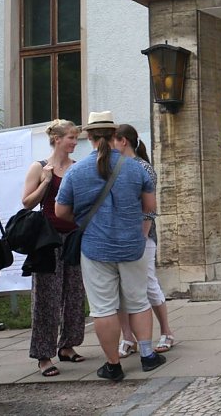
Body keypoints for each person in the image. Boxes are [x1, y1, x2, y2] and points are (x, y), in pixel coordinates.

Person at [55, 111, 165, 381]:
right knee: (138, 300)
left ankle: (113, 364)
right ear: (115, 136)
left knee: (103, 307)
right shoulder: (136, 168)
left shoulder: (76, 171)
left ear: (89, 137)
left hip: (95, 247)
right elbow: (150, 207)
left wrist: (83, 220)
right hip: (132, 244)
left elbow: (60, 212)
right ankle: (149, 355)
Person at [21, 120, 84, 377]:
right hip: (47, 240)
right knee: (47, 298)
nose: (74, 141)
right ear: (57, 139)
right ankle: (43, 355)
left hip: (73, 236)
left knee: (74, 294)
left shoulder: (77, 168)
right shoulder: (39, 167)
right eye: (70, 137)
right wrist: (46, 182)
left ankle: (67, 345)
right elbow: (26, 203)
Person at [113, 124, 175, 357]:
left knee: (148, 283)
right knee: (120, 288)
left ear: (123, 141)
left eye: (113, 140)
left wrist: (142, 236)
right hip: (120, 235)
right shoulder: (116, 166)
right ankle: (128, 338)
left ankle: (167, 332)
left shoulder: (143, 168)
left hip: (142, 235)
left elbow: (149, 209)